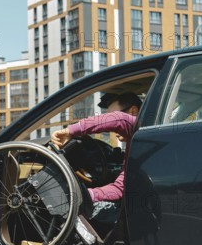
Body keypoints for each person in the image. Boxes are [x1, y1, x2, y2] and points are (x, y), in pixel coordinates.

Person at [51, 92, 142, 221]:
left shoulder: (143, 126)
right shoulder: (136, 145)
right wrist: (86, 195)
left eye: (110, 115)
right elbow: (120, 189)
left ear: (133, 112)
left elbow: (119, 120)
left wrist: (70, 131)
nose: (111, 128)